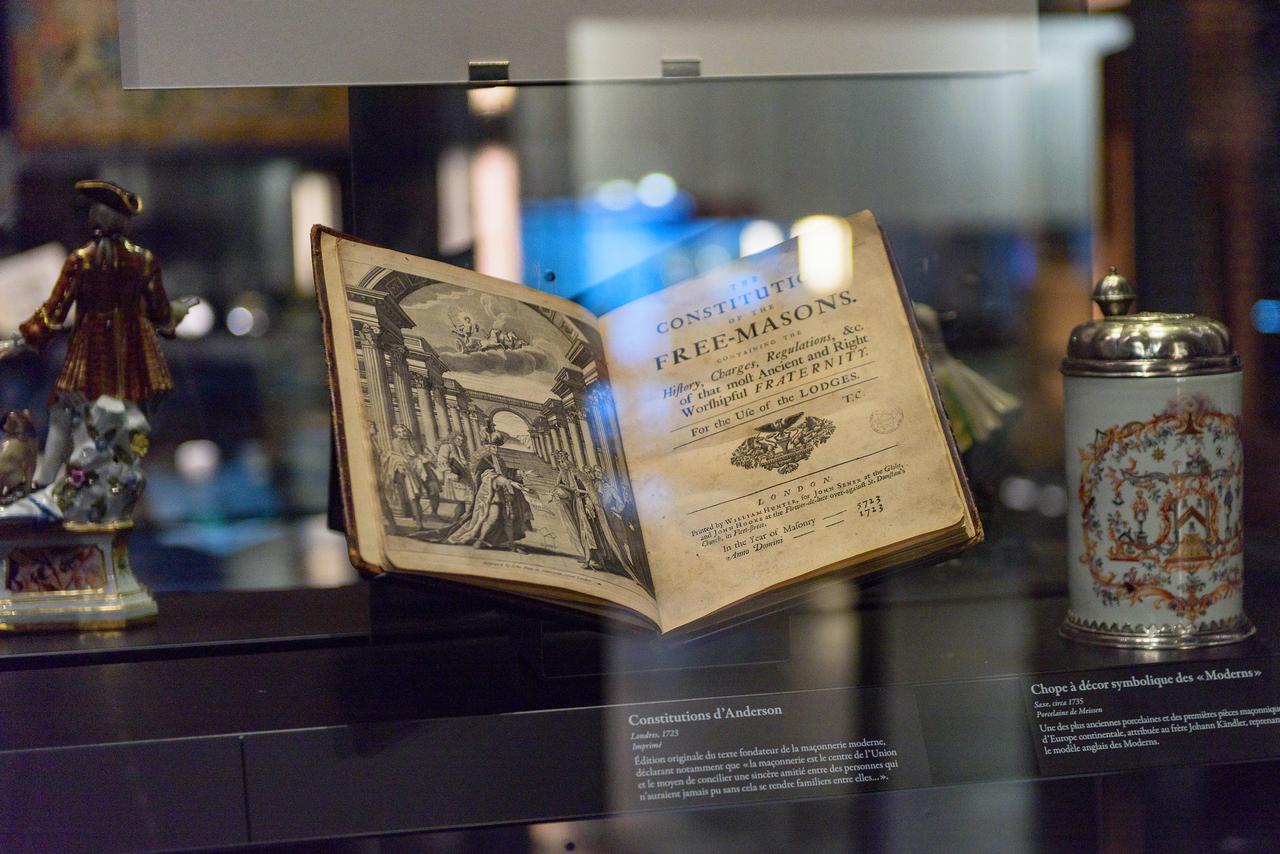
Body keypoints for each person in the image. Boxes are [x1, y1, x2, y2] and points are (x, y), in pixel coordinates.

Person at [0, 180, 189, 488]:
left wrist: (23, 338)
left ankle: (55, 479)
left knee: (69, 414)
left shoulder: (86, 260)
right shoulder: (138, 261)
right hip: (122, 347)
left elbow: (54, 312)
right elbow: (162, 314)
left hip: (97, 347)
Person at [446, 433, 533, 550]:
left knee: (509, 519)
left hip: (504, 494)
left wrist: (518, 473)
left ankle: (511, 544)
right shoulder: (484, 461)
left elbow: (505, 473)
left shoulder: (499, 461)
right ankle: (480, 540)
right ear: (486, 448)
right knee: (491, 518)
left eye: (497, 447)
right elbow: (490, 476)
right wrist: (510, 482)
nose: (496, 449)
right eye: (492, 447)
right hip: (490, 495)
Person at [380, 424, 428, 530]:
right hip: (407, 472)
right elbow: (397, 457)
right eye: (399, 432)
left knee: (418, 497)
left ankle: (419, 522)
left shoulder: (412, 441)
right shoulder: (396, 442)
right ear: (396, 434)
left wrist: (420, 458)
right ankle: (418, 524)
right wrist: (402, 466)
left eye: (403, 431)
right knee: (413, 497)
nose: (402, 433)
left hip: (417, 469)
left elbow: (417, 454)